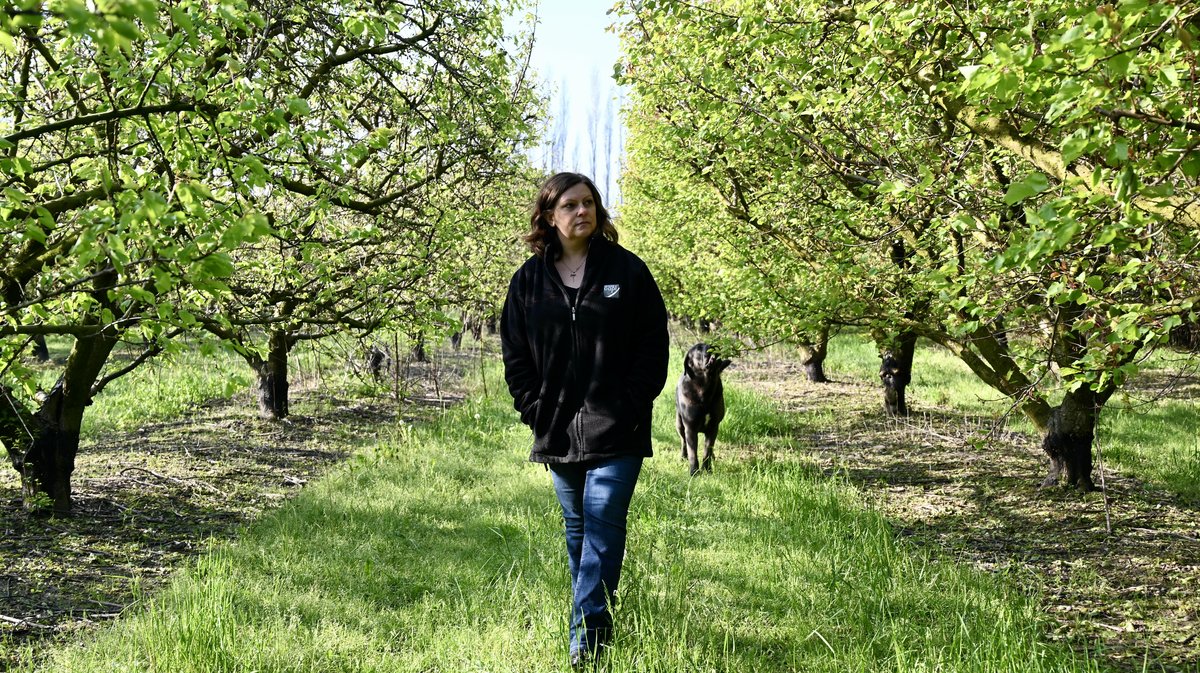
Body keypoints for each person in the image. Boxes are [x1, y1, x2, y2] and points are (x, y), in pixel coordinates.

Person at [500, 172, 669, 666]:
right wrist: (534, 409)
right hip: (555, 429)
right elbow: (514, 354)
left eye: (589, 203)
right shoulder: (528, 282)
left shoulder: (628, 272)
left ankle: (586, 642)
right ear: (549, 217)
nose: (582, 212)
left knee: (601, 526)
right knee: (578, 532)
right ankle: (598, 617)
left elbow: (652, 347)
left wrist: (630, 405)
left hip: (618, 429)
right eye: (570, 205)